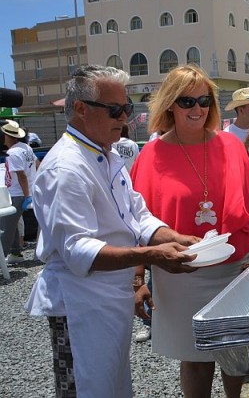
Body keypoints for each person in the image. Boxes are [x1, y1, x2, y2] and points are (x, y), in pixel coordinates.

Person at [24, 64, 200, 398]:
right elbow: (78, 251)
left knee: (115, 387)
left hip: (108, 298)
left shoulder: (107, 154)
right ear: (80, 110)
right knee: (88, 388)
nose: (124, 118)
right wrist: (151, 256)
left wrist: (172, 237)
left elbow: (136, 214)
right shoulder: (67, 167)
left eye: (128, 108)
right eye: (115, 110)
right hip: (80, 302)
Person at [130, 64, 249, 398]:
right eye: (187, 101)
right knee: (194, 358)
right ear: (170, 105)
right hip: (180, 273)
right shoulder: (150, 155)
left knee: (237, 355)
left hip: (234, 267)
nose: (197, 109)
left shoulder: (231, 146)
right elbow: (134, 223)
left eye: (203, 100)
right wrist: (137, 280)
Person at [1, 120, 38, 264]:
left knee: (6, 227)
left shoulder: (13, 152)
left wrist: (27, 195)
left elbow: (21, 175)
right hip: (25, 191)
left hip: (18, 193)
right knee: (14, 225)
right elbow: (37, 163)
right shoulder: (25, 147)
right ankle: (15, 254)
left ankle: (2, 256)